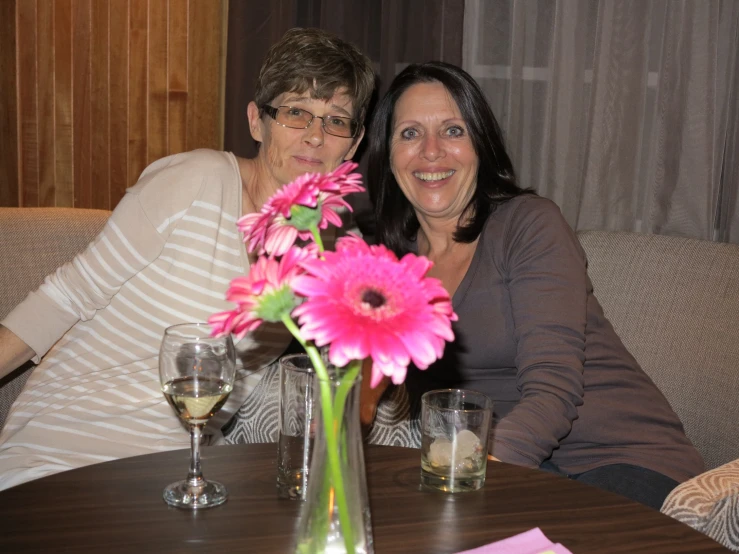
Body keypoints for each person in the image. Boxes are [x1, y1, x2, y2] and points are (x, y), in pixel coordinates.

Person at [0, 28, 375, 490]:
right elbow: (65, 297)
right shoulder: (198, 180)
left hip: (183, 473)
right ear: (257, 121)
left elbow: (368, 348)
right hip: (64, 446)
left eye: (335, 121)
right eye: (296, 112)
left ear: (353, 145)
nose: (315, 137)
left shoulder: (334, 247)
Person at [365, 61, 704, 510]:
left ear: (480, 147)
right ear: (387, 156)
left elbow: (554, 389)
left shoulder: (528, 224)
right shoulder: (390, 267)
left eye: (452, 130)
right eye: (409, 133)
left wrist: (470, 473)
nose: (431, 151)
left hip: (622, 458)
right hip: (517, 467)